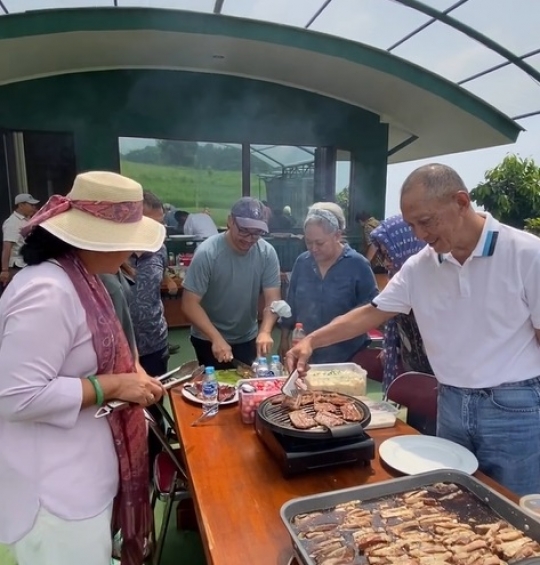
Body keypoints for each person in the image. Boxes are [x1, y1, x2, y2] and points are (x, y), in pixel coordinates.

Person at [287, 163, 540, 497]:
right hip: (450, 401)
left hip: (515, 408)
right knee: (455, 503)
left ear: (461, 202)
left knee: (517, 511)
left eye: (426, 221)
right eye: (411, 225)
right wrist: (312, 341)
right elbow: (370, 314)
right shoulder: (421, 266)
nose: (419, 234)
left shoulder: (527, 253)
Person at [0, 171, 166, 565]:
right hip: (55, 496)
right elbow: (15, 396)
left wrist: (127, 379)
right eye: (128, 242)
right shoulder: (48, 290)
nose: (132, 253)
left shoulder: (81, 280)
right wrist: (113, 386)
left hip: (79, 482)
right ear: (97, 239)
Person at [182, 197, 281, 368]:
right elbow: (189, 304)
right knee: (215, 388)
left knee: (248, 386)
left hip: (247, 335)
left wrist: (265, 331)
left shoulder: (266, 253)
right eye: (244, 231)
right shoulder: (208, 253)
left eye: (256, 233)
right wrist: (216, 338)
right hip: (208, 336)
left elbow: (273, 298)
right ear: (230, 222)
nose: (250, 239)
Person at [280, 206, 377, 363]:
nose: (313, 249)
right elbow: (291, 305)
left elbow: (371, 308)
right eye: (308, 242)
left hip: (348, 355)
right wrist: (284, 338)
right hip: (307, 354)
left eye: (319, 243)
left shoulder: (357, 264)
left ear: (337, 235)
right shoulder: (302, 262)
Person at [369, 215, 432, 391]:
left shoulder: (437, 282)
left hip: (440, 385)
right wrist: (392, 346)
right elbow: (373, 314)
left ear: (408, 247)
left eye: (390, 254)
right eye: (383, 255)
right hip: (411, 377)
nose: (387, 263)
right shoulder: (398, 280)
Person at [1, 193, 39, 286]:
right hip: (17, 266)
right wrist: (5, 270)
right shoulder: (12, 222)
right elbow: (7, 247)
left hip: (27, 264)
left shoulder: (27, 219)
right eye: (31, 205)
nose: (33, 208)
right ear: (21, 205)